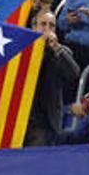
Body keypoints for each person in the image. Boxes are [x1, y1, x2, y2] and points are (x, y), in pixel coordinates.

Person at [25, 10, 80, 146]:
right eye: (43, 24)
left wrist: (56, 48)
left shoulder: (62, 52)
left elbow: (73, 75)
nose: (47, 29)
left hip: (44, 121)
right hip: (20, 116)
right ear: (34, 27)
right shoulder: (23, 49)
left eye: (52, 25)